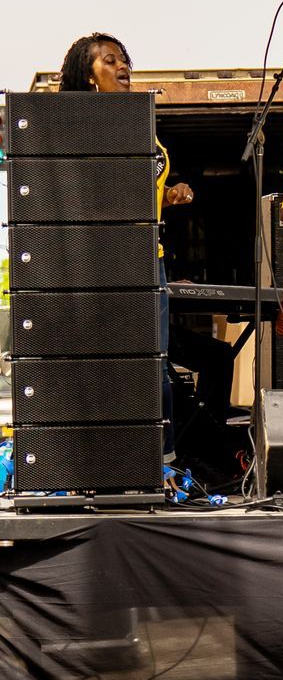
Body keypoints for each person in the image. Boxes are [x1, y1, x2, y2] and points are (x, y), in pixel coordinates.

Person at [57, 33, 194, 456]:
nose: (123, 67)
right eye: (110, 60)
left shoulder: (139, 120)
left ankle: (162, 464)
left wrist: (168, 193)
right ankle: (100, 461)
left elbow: (138, 186)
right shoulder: (79, 124)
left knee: (153, 366)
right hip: (103, 261)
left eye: (124, 60)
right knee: (110, 368)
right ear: (88, 75)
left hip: (148, 258)